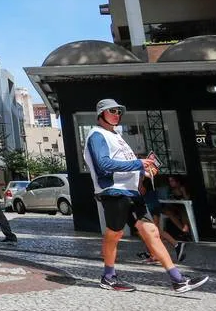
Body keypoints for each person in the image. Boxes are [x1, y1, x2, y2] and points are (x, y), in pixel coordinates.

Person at [83, 98, 206, 293]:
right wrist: (138, 164)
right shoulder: (97, 135)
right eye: (112, 111)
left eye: (119, 111)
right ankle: (108, 276)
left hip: (132, 192)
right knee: (114, 234)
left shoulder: (117, 136)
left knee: (152, 232)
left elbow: (127, 164)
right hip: (114, 192)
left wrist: (145, 171)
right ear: (101, 114)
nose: (117, 114)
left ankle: (178, 279)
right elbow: (103, 165)